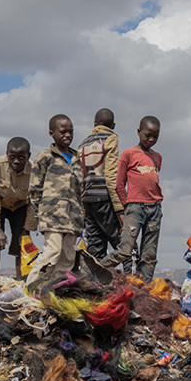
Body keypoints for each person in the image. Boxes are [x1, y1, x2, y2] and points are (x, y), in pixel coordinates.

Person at [101, 116, 163, 280]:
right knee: (124, 251)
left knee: (149, 256)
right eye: (147, 135)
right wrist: (127, 206)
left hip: (155, 208)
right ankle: (96, 270)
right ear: (138, 132)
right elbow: (119, 184)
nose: (151, 139)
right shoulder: (128, 153)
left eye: (155, 137)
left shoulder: (157, 157)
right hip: (135, 207)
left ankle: (144, 290)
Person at [26, 115, 84, 286]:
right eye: (63, 131)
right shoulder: (45, 157)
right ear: (52, 133)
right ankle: (31, 288)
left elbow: (81, 191)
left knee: (67, 257)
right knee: (52, 253)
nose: (68, 135)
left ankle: (54, 289)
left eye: (70, 132)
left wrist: (81, 215)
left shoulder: (78, 159)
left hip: (73, 218)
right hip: (52, 216)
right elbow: (34, 189)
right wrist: (42, 212)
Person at [77, 108, 127, 264]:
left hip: (88, 202)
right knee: (126, 247)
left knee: (95, 250)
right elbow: (112, 177)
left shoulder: (82, 144)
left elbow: (79, 182)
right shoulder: (110, 138)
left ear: (94, 124)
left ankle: (98, 285)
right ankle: (134, 284)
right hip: (105, 200)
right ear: (113, 125)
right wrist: (120, 209)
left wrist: (82, 212)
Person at [0, 137, 37, 280]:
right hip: (0, 205)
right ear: (7, 154)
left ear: (28, 156)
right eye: (12, 157)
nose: (16, 161)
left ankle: (20, 282)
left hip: (21, 206)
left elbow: (35, 202)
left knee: (21, 243)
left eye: (21, 158)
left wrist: (26, 229)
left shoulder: (34, 171)